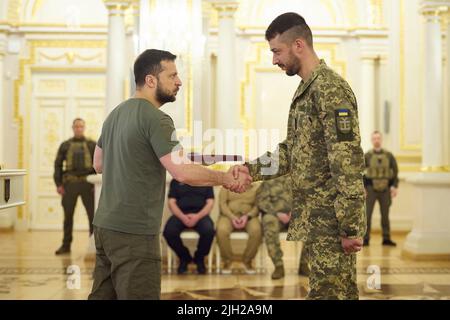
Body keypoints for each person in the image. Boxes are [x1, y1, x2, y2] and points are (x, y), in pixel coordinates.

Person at [88, 49, 251, 300]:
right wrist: (225, 178)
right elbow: (182, 172)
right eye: (172, 75)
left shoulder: (115, 115)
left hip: (104, 226)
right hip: (135, 232)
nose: (179, 82)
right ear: (151, 80)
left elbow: (98, 163)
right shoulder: (157, 119)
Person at [231, 13, 366, 299]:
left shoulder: (330, 90)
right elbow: (292, 151)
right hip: (318, 220)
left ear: (299, 45)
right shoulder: (308, 90)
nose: (274, 60)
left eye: (277, 51)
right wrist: (249, 170)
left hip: (332, 221)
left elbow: (348, 162)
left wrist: (351, 225)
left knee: (332, 294)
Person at [53, 118, 96, 255]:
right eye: (76, 127)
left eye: (81, 126)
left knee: (92, 216)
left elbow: (99, 165)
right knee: (68, 216)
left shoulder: (92, 144)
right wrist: (59, 184)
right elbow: (58, 165)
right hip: (70, 184)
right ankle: (66, 245)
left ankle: (93, 245)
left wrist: (97, 183)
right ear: (72, 128)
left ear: (84, 128)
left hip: (88, 184)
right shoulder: (65, 145)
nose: (78, 129)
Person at [257, 175, 309, 279]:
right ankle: (278, 266)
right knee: (268, 221)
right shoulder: (269, 180)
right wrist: (277, 213)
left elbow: (306, 200)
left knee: (313, 224)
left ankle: (304, 264)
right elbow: (261, 201)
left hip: (295, 216)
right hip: (275, 217)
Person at [163, 179, 215, 274]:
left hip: (200, 215)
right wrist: (182, 217)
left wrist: (197, 216)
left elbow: (210, 202)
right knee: (169, 232)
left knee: (209, 231)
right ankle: (184, 258)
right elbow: (171, 202)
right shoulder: (176, 180)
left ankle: (199, 259)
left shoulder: (206, 180)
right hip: (180, 214)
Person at [216, 183, 262, 274]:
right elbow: (222, 204)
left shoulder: (257, 188)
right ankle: (227, 261)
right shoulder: (226, 185)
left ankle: (247, 261)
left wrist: (247, 217)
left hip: (249, 216)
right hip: (228, 216)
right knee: (221, 230)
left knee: (257, 231)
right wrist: (232, 217)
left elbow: (258, 206)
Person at [363, 131, 399, 246]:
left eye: (378, 138)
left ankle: (386, 238)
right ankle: (366, 238)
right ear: (371, 140)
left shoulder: (389, 155)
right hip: (370, 188)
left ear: (381, 139)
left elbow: (395, 171)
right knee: (367, 215)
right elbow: (361, 173)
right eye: (374, 138)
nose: (376, 140)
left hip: (385, 189)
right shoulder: (367, 156)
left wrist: (394, 186)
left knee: (385, 215)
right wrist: (363, 188)